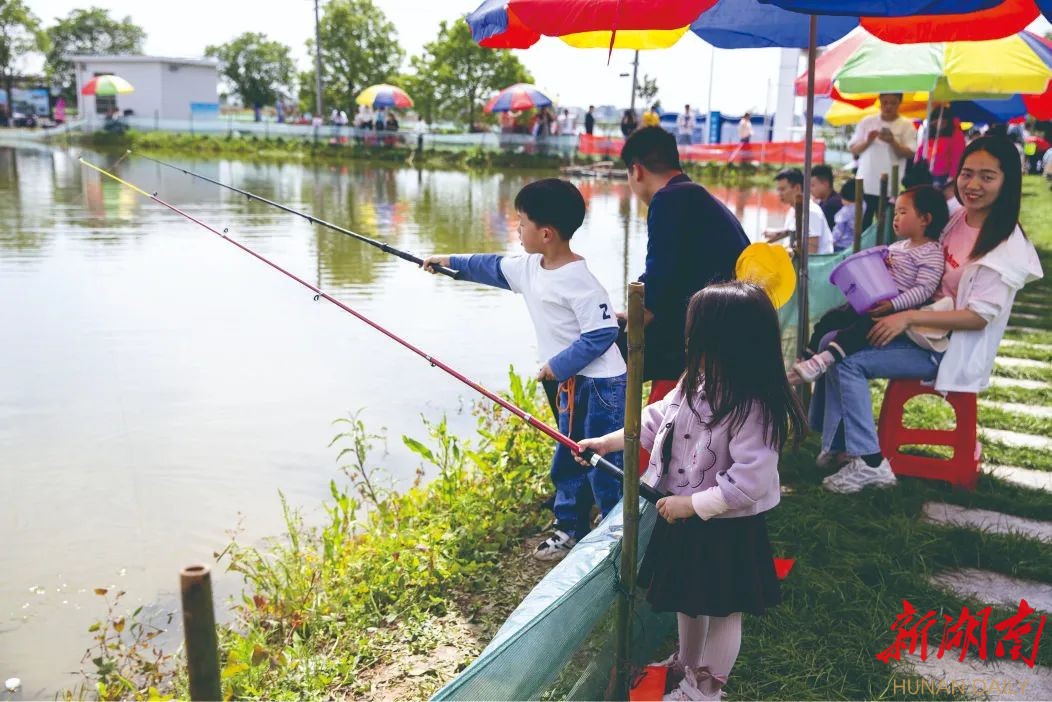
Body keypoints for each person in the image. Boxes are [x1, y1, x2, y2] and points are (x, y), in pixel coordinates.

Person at [576, 282, 806, 702]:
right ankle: (686, 662)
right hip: (684, 516)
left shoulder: (752, 404)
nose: (687, 341)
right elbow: (656, 418)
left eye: (694, 333)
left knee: (722, 609)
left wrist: (692, 505)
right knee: (688, 597)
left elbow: (750, 482)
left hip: (726, 526)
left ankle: (705, 690)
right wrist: (607, 442)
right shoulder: (696, 381)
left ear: (724, 341)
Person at [813, 136, 1043, 494]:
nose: (973, 185)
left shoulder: (1005, 247)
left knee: (847, 362)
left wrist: (907, 317)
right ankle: (843, 447)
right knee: (830, 340)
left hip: (945, 348)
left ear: (1007, 182)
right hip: (918, 327)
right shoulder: (957, 217)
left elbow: (977, 318)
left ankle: (871, 464)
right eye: (967, 174)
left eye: (987, 177)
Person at [420, 179, 627, 561]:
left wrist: (556, 365)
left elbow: (603, 333)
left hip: (601, 387)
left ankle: (616, 534)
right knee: (568, 455)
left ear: (545, 233)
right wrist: (447, 262)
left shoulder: (580, 281)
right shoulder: (532, 267)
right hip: (568, 383)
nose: (516, 228)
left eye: (521, 222)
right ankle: (570, 528)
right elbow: (490, 267)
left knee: (602, 461)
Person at [619, 126, 749, 404]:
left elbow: (659, 281)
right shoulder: (695, 196)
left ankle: (592, 444)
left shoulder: (667, 199)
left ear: (636, 170)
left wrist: (636, 319)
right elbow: (667, 269)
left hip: (698, 332)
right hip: (723, 320)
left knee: (595, 355)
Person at [792, 185, 948, 384]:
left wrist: (894, 305)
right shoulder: (898, 246)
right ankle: (806, 358)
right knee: (832, 317)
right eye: (896, 212)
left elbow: (923, 290)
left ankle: (823, 360)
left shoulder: (931, 253)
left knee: (858, 330)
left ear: (925, 219)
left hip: (895, 310)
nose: (896, 217)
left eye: (902, 212)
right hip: (874, 299)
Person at [849, 93, 917, 230]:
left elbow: (910, 152)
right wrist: (868, 141)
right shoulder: (867, 121)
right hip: (866, 180)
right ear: (879, 102)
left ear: (899, 103)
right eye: (885, 102)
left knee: (887, 224)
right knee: (863, 223)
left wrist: (893, 142)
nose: (888, 106)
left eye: (893, 103)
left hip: (892, 183)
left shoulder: (906, 125)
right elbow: (853, 148)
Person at [764, 169, 834, 255]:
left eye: (782, 189)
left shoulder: (811, 212)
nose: (779, 193)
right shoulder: (792, 210)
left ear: (797, 188)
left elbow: (810, 254)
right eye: (778, 190)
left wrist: (779, 252)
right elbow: (793, 234)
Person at [916, 105, 966, 188]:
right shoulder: (929, 134)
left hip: (944, 177)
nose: (939, 122)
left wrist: (952, 177)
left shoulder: (956, 134)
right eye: (935, 119)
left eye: (943, 119)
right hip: (926, 174)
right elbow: (921, 152)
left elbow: (957, 157)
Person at [831, 180, 863, 252]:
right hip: (856, 244)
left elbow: (838, 230)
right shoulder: (863, 205)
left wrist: (832, 242)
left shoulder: (845, 212)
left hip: (842, 245)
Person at [810, 164, 842, 230]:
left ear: (825, 184)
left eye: (812, 185)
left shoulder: (831, 205)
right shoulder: (824, 202)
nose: (810, 189)